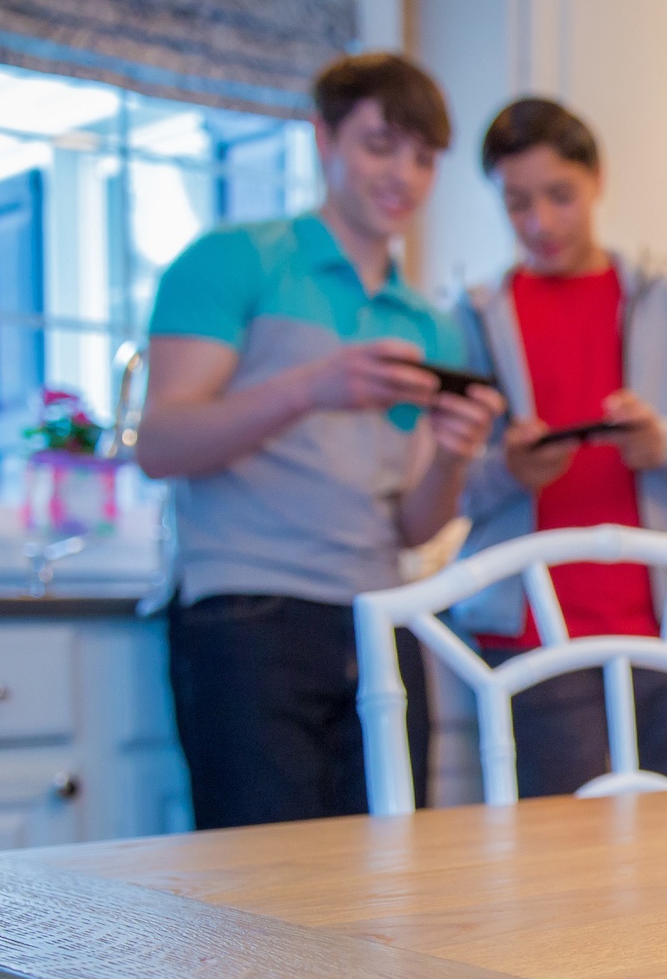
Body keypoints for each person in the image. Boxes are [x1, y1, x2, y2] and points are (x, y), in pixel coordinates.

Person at [140, 53, 503, 830]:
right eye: (381, 144)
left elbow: (412, 525)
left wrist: (455, 453)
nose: (402, 174)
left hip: (379, 619)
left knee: (387, 883)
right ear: (324, 139)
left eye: (423, 157)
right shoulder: (234, 262)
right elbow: (160, 442)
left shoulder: (427, 325)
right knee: (258, 896)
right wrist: (312, 386)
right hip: (248, 614)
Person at [451, 98, 667, 798]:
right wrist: (510, 470)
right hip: (534, 638)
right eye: (518, 203)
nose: (542, 223)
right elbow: (445, 488)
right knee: (567, 878)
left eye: (560, 196)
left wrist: (666, 444)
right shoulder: (475, 318)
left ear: (598, 180)